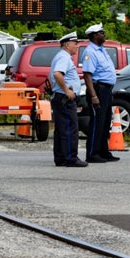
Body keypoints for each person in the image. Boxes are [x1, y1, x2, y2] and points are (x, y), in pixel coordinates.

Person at [81, 23, 120, 163]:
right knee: (97, 122)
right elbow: (87, 76)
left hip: (106, 90)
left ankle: (103, 151)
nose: (104, 34)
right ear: (94, 36)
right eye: (101, 33)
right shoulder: (90, 52)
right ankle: (92, 153)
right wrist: (93, 96)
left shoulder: (101, 50)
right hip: (98, 90)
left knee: (105, 122)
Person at [50, 32, 88, 167]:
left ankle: (60, 157)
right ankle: (71, 158)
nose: (77, 46)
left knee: (61, 128)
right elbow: (57, 74)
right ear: (67, 44)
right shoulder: (64, 58)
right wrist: (67, 90)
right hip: (64, 98)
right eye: (75, 43)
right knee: (70, 128)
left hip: (60, 97)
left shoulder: (61, 56)